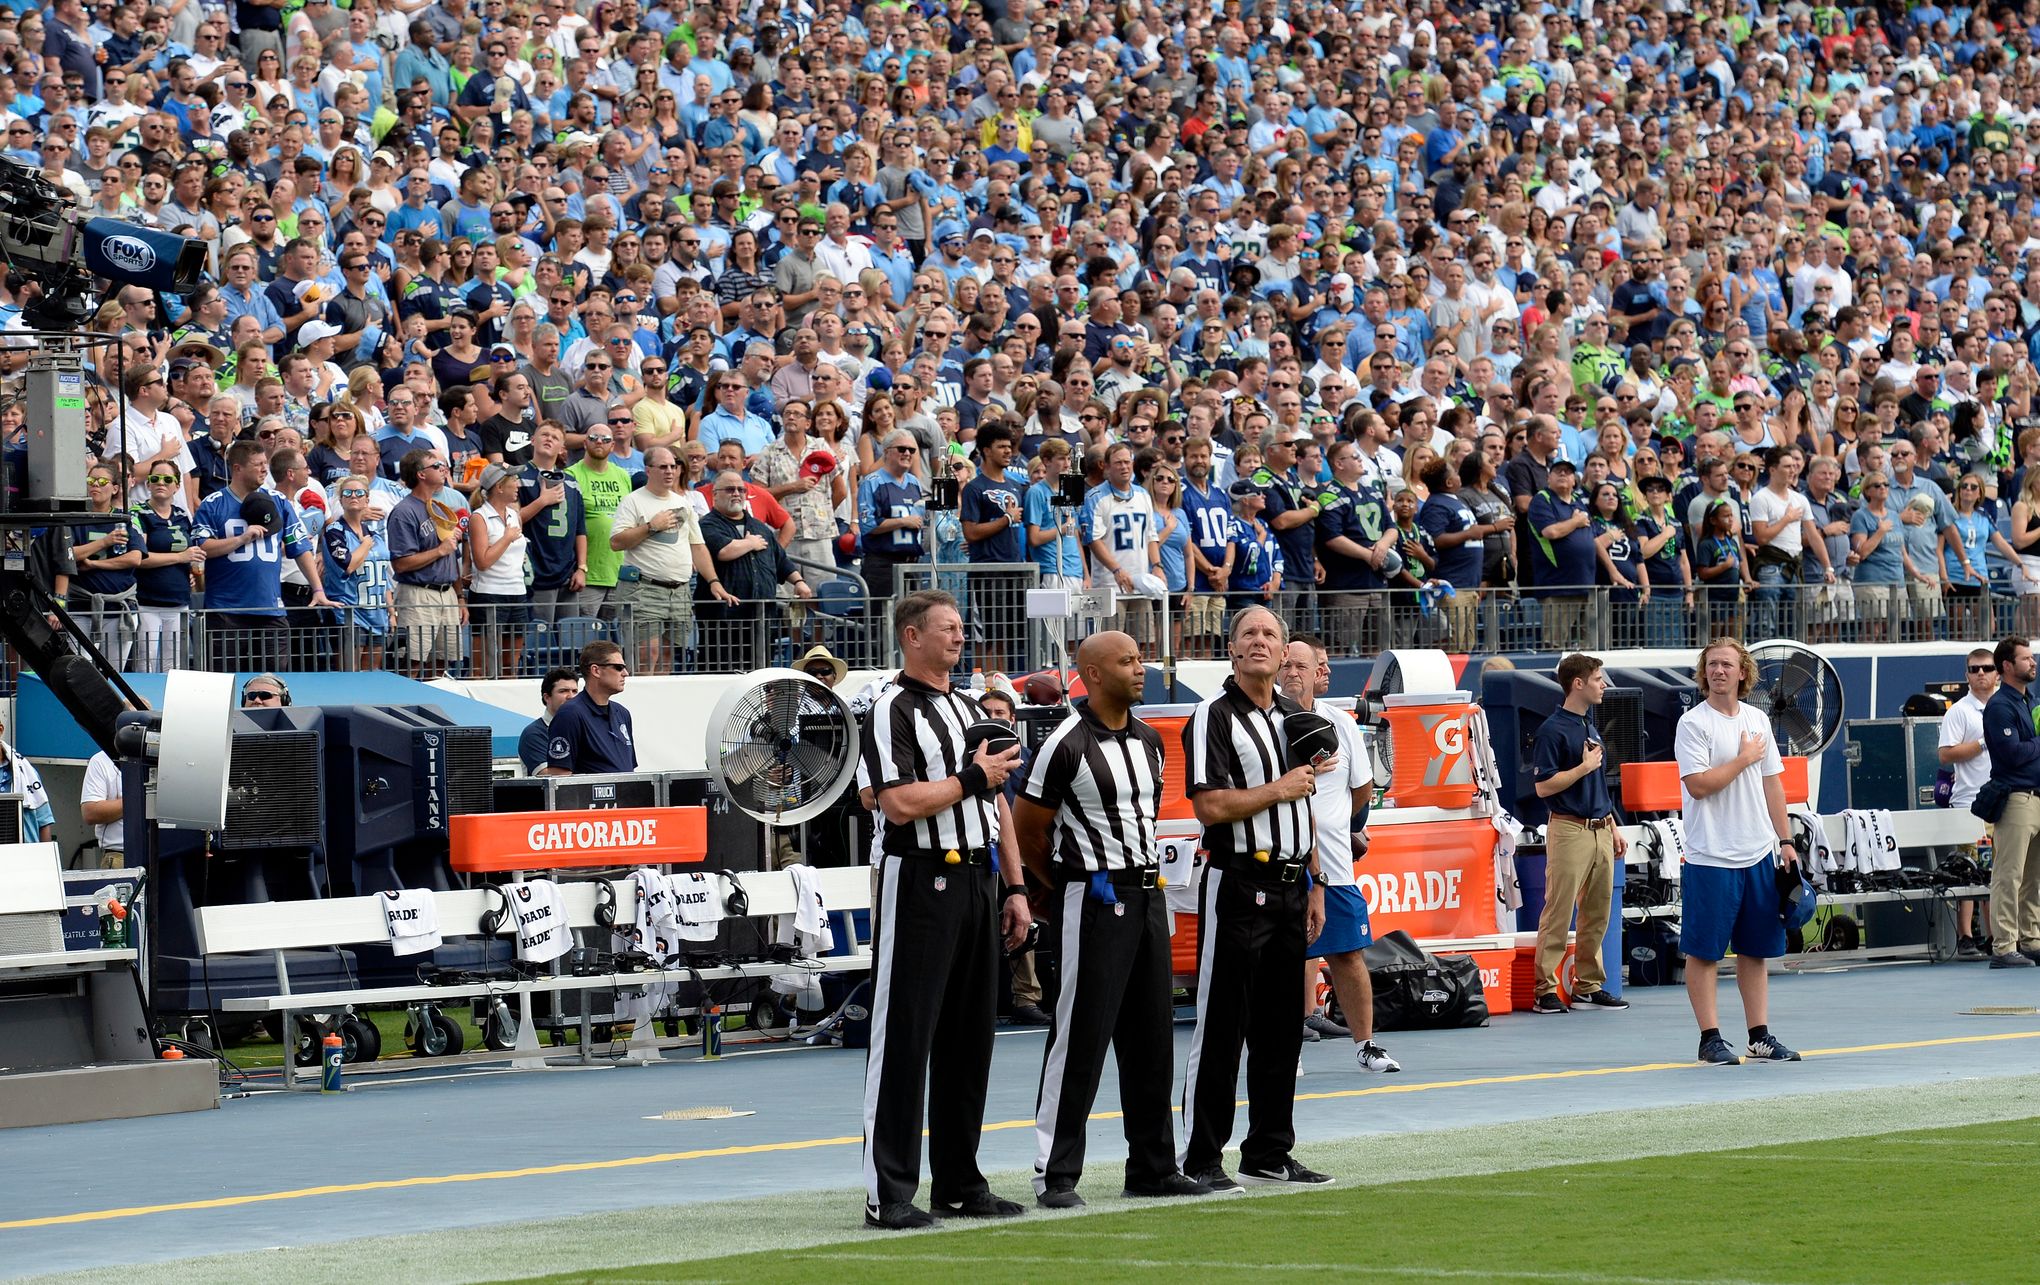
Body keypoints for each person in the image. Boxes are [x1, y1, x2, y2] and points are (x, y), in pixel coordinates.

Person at [1014, 630, 1210, 1208]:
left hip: (1148, 896)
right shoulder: (1065, 743)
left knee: (1152, 1035)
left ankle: (1151, 1165)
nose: (1140, 668)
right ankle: (1055, 1172)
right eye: (1126, 661)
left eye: (1140, 658)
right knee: (1079, 1035)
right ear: (1093, 674)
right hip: (1094, 897)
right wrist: (1062, 885)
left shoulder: (1150, 740)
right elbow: (1029, 828)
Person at [859, 589, 1033, 1231]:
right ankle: (889, 1190)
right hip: (920, 878)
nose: (961, 637)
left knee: (970, 1039)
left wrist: (1014, 889)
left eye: (963, 627)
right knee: (904, 1034)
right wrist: (971, 779)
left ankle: (960, 1180)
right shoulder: (890, 709)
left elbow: (996, 809)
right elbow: (898, 803)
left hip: (977, 881)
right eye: (948, 628)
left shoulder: (967, 709)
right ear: (912, 636)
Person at [1180, 605, 1334, 1192]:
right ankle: (1201, 1158)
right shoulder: (1212, 716)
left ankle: (1269, 1149)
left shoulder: (1294, 716)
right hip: (1240, 882)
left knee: (1281, 1029)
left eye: (1271, 633)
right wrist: (1280, 787)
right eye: (1250, 633)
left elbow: (1306, 806)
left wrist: (1314, 880)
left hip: (1293, 882)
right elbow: (1210, 806)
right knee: (1222, 1026)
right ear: (1234, 648)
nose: (1262, 642)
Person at [1676, 637, 1802, 1065]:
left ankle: (1759, 1035)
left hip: (1757, 853)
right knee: (1705, 951)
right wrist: (1745, 757)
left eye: (1727, 664)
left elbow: (1773, 785)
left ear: (1743, 672)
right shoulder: (1693, 724)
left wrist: (1785, 842)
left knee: (1755, 950)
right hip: (1710, 855)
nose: (1718, 671)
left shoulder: (1757, 720)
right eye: (1712, 664)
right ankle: (1709, 1038)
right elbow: (1699, 785)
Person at [1278, 635, 1400, 1072]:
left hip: (1334, 867)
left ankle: (1366, 1045)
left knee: (1347, 954)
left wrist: (1337, 826)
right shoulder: (1262, 724)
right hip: (1281, 864)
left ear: (1317, 673)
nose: (1292, 673)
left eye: (1301, 666)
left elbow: (1362, 788)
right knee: (1284, 959)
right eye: (1285, 665)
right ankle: (1285, 1048)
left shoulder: (1341, 724)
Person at [1529, 653, 1631, 1014]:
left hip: (1601, 829)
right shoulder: (1552, 730)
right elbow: (1543, 786)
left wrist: (1613, 825)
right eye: (1598, 678)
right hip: (1569, 829)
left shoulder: (1589, 725)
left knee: (1597, 911)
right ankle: (1545, 990)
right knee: (1559, 910)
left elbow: (1598, 783)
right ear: (1578, 683)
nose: (1603, 685)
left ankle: (1588, 985)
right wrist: (1583, 766)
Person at [192, 440, 333, 672]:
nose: (264, 469)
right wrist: (240, 540)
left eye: (265, 463)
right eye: (257, 464)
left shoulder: (277, 501)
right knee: (225, 680)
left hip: (270, 608)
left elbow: (299, 547)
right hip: (227, 610)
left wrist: (318, 590)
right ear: (237, 468)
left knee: (272, 680)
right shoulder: (213, 504)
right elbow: (202, 548)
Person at [1982, 636, 2040, 969]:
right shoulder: (2001, 706)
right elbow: (2011, 753)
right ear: (2007, 666)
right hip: (2017, 797)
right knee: (2009, 875)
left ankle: (2030, 940)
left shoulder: (2026, 701)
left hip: (2035, 795)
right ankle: (2004, 946)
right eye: (2026, 658)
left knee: (2034, 877)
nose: (2033, 663)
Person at [385, 448, 466, 677]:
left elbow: (453, 557)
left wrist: (460, 597)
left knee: (442, 662)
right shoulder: (404, 511)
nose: (444, 469)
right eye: (437, 466)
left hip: (447, 591)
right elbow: (401, 563)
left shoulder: (440, 508)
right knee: (411, 663)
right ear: (421, 474)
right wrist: (440, 550)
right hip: (418, 593)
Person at [1937, 648, 1995, 961]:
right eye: (1975, 669)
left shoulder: (2007, 707)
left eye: (1987, 668)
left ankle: (1993, 935)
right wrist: (1983, 742)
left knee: (1995, 871)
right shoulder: (1959, 711)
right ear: (1967, 675)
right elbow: (1945, 755)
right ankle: (1965, 935)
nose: (1981, 673)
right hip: (1969, 803)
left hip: (2002, 801)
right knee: (1969, 871)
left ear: (1998, 672)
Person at [541, 640, 638, 776]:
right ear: (596, 670)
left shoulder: (622, 713)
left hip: (627, 795)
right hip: (587, 797)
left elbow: (628, 768)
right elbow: (559, 775)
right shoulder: (569, 714)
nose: (625, 673)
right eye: (618, 667)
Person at [0, 719, 56, 844]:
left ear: (1, 730)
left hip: (25, 858)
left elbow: (43, 821)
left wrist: (44, 860)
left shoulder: (25, 770)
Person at [519, 667, 580, 776]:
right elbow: (547, 776)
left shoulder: (583, 727)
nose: (571, 696)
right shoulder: (533, 733)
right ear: (547, 697)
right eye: (563, 691)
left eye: (575, 691)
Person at [78, 749, 125, 867]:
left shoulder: (168, 754)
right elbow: (90, 812)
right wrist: (138, 799)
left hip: (171, 852)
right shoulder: (102, 759)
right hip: (120, 855)